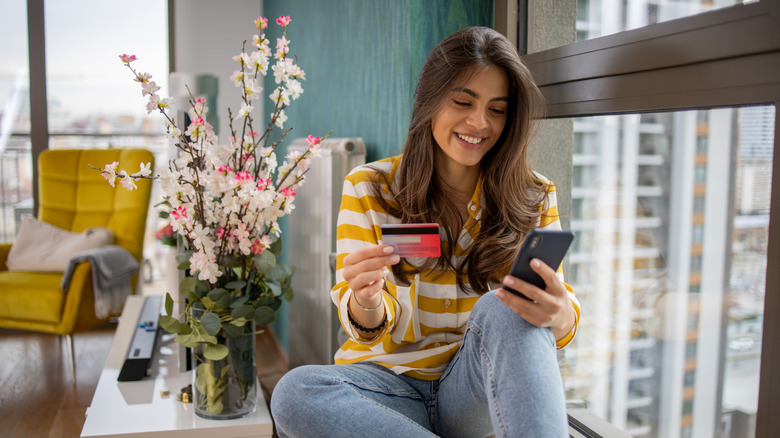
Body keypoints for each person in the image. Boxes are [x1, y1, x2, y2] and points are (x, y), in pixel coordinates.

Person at [271, 26, 580, 438]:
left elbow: (555, 315)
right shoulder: (369, 187)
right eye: (463, 102)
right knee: (294, 392)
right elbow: (364, 323)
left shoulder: (534, 195)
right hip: (387, 389)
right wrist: (365, 299)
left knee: (506, 307)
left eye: (497, 110)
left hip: (472, 394)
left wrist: (559, 313)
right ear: (429, 101)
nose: (479, 122)